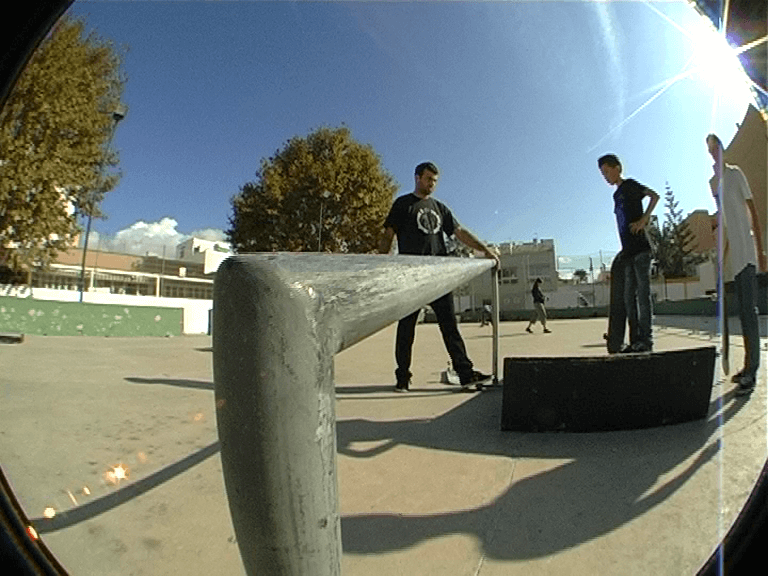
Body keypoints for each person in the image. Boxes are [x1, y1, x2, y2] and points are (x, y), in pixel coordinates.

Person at [379, 161, 500, 392]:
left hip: (438, 275)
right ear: (417, 178)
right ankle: (402, 378)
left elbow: (459, 232)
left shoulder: (440, 208)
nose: (432, 184)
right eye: (428, 179)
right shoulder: (403, 204)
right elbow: (388, 234)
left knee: (450, 327)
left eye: (434, 181)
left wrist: (485, 250)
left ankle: (465, 373)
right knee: (406, 328)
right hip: (411, 275)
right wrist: (381, 264)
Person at [707, 134, 766, 397]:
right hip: (734, 257)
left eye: (716, 147)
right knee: (742, 313)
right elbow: (724, 220)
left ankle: (752, 371)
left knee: (749, 312)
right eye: (709, 150)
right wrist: (721, 260)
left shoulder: (736, 173)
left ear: (722, 149)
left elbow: (752, 210)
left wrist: (761, 249)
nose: (713, 153)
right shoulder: (713, 183)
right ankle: (746, 366)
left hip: (749, 252)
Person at [598, 154, 659, 353]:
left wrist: (643, 220)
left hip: (641, 249)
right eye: (603, 174)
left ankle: (646, 340)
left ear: (617, 168)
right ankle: (635, 340)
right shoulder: (616, 196)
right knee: (628, 297)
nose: (606, 177)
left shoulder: (631, 185)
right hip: (628, 252)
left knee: (642, 295)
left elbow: (654, 196)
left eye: (607, 171)